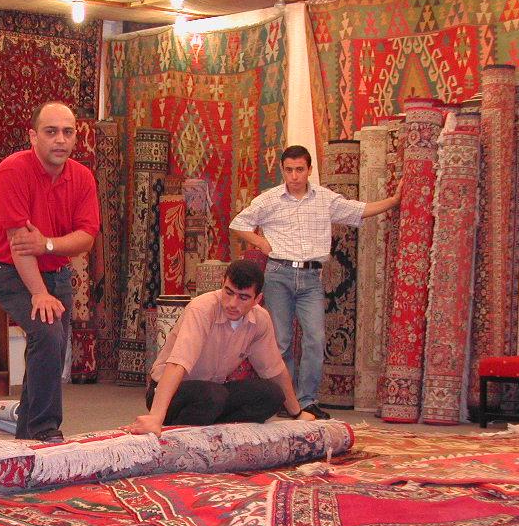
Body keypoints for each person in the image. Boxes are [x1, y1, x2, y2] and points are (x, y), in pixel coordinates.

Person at [229, 145, 402, 419]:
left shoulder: (324, 199)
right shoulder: (269, 199)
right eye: (289, 170)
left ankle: (307, 400)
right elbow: (238, 223)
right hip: (279, 273)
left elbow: (359, 210)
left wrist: (393, 201)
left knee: (314, 338)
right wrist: (259, 241)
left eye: (300, 169)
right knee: (282, 341)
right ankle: (286, 402)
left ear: (309, 170)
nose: (294, 176)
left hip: (311, 277)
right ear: (283, 170)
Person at [0, 101, 101, 442]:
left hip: (57, 273)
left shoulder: (82, 177)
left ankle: (26, 437)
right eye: (51, 132)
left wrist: (48, 245)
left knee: (53, 348)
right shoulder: (12, 170)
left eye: (67, 132)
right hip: (11, 273)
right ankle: (45, 431)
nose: (60, 140)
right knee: (48, 336)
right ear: (33, 136)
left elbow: (86, 238)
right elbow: (21, 247)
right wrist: (39, 292)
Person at [125, 259, 316, 436]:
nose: (232, 303)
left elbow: (275, 370)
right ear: (222, 284)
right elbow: (177, 364)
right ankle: (179, 432)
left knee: (272, 395)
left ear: (257, 300)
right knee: (213, 397)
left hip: (213, 393)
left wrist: (297, 413)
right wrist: (155, 418)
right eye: (229, 292)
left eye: (243, 297)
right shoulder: (202, 308)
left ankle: (214, 429)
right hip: (171, 393)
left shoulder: (260, 319)